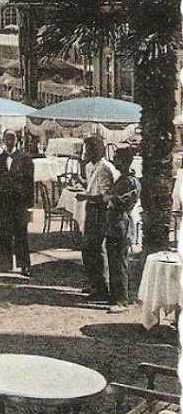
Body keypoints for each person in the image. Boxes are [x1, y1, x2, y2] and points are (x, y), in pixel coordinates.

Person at [77, 134, 119, 302]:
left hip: (99, 212)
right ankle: (95, 282)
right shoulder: (93, 167)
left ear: (97, 150)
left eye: (88, 149)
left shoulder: (104, 168)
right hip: (92, 210)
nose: (86, 152)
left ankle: (101, 286)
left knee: (94, 248)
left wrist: (86, 197)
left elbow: (104, 196)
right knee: (88, 248)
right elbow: (93, 187)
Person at [0, 129, 35, 276]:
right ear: (3, 140)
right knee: (5, 232)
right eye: (7, 139)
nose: (9, 141)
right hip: (5, 201)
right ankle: (5, 263)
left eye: (12, 138)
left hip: (20, 202)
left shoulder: (25, 158)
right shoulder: (0, 158)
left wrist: (30, 205)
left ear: (17, 140)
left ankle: (24, 265)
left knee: (21, 233)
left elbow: (30, 183)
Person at [104, 147, 140, 313]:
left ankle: (121, 300)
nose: (115, 161)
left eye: (117, 158)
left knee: (119, 261)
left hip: (121, 223)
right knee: (114, 259)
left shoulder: (130, 181)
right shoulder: (122, 179)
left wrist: (110, 198)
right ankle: (115, 296)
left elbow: (123, 201)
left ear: (125, 161)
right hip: (114, 222)